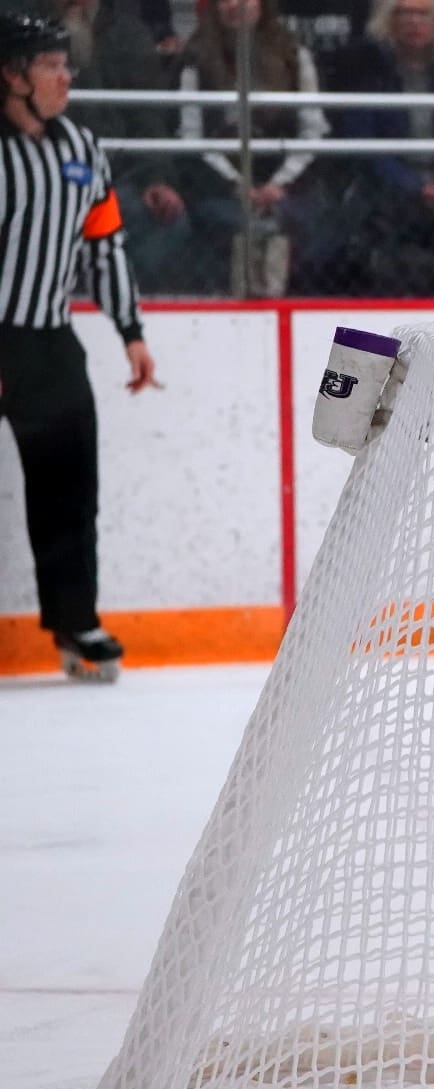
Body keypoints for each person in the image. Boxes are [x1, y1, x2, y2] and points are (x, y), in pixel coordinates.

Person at [0, 12, 161, 681]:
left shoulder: (81, 149)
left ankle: (74, 620)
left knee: (69, 487)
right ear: (11, 77)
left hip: (49, 344)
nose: (67, 77)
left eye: (66, 64)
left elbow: (106, 242)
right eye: (50, 66)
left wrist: (131, 331)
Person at [332, 0, 434, 294]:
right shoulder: (370, 72)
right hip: (391, 191)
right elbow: (365, 143)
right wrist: (414, 185)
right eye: (405, 13)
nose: (414, 22)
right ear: (389, 20)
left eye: (423, 13)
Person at [175, 0, 331, 296]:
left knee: (301, 222)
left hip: (286, 181)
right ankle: (240, 300)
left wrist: (280, 184)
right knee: (225, 222)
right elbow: (191, 133)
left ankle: (285, 304)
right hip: (220, 183)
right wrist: (236, 184)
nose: (236, 5)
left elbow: (314, 129)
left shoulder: (294, 55)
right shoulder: (195, 58)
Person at [55, 0, 190, 293]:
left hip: (119, 175)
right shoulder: (27, 26)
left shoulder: (127, 32)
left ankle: (121, 297)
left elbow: (149, 117)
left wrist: (157, 179)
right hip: (46, 173)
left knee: (168, 223)